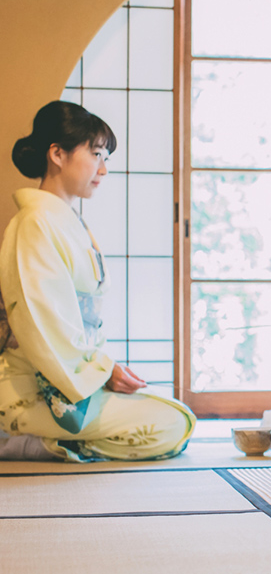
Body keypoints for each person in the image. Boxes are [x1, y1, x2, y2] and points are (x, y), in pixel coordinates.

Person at [0, 101, 195, 461]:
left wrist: (102, 370)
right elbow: (44, 324)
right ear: (57, 154)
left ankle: (51, 440)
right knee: (172, 424)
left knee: (174, 413)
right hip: (34, 391)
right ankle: (25, 440)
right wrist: (103, 372)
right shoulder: (34, 224)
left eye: (105, 157)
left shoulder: (62, 221)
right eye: (96, 154)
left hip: (70, 380)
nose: (103, 169)